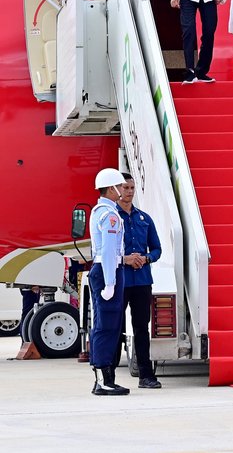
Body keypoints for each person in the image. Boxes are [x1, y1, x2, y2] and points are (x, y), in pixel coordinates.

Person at [116, 174, 162, 389]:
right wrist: (125, 259)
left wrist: (147, 258)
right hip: (120, 280)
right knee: (114, 326)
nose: (130, 191)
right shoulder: (111, 217)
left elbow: (157, 248)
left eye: (132, 187)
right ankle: (108, 375)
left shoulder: (144, 218)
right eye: (126, 187)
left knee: (142, 327)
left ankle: (147, 375)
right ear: (118, 190)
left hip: (142, 280)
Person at [89, 167, 129, 396]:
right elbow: (109, 251)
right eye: (120, 187)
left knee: (105, 324)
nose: (122, 191)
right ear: (111, 188)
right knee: (108, 325)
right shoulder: (110, 215)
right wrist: (111, 282)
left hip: (105, 269)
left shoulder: (100, 211)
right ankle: (105, 380)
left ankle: (103, 378)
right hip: (108, 270)